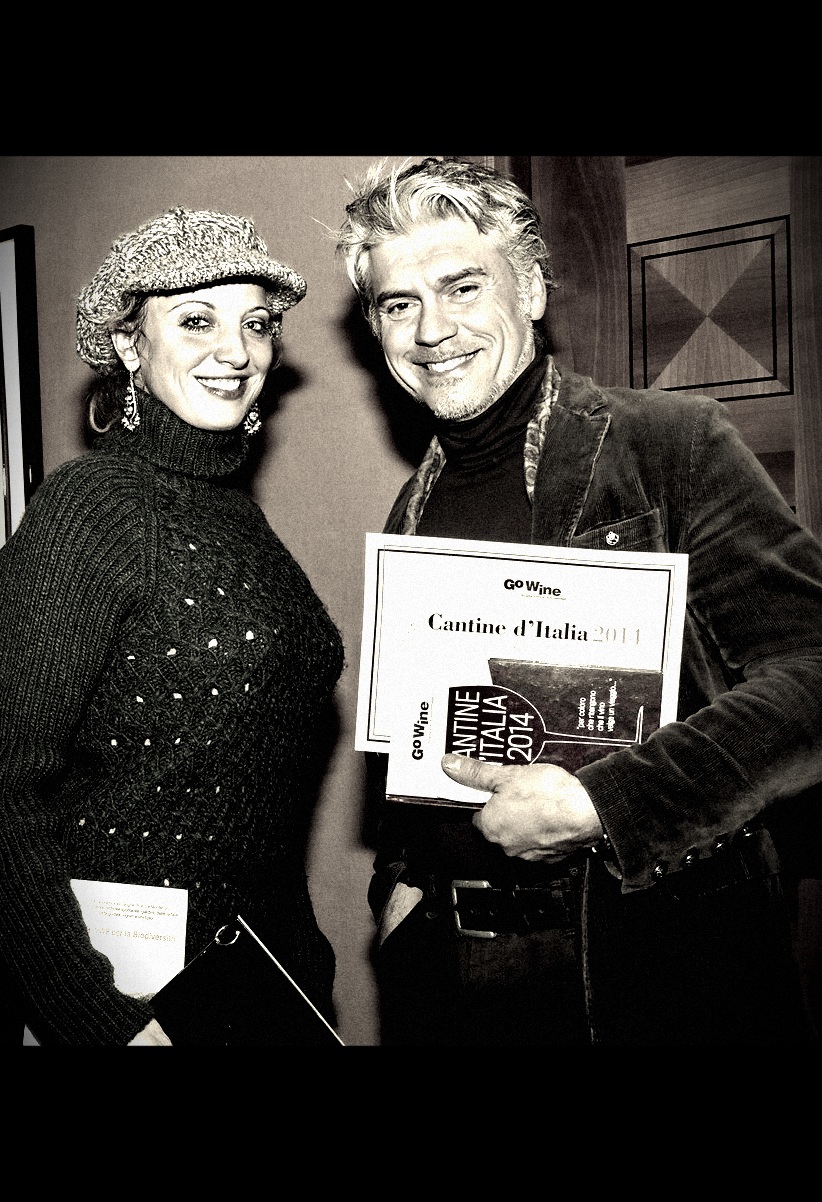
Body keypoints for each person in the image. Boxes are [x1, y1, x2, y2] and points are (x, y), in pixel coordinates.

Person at [336, 157, 822, 1046]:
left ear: (529, 290)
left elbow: (815, 676)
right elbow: (433, 736)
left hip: (653, 972)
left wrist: (609, 804)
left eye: (462, 287)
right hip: (453, 988)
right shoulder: (411, 510)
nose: (432, 329)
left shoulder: (668, 446)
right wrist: (400, 887)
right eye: (399, 304)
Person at [0, 207, 344, 1045]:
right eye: (196, 320)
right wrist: (99, 1021)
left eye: (256, 324)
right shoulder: (94, 506)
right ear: (129, 345)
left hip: (259, 978)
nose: (236, 351)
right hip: (133, 999)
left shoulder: (237, 513)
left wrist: (303, 962)